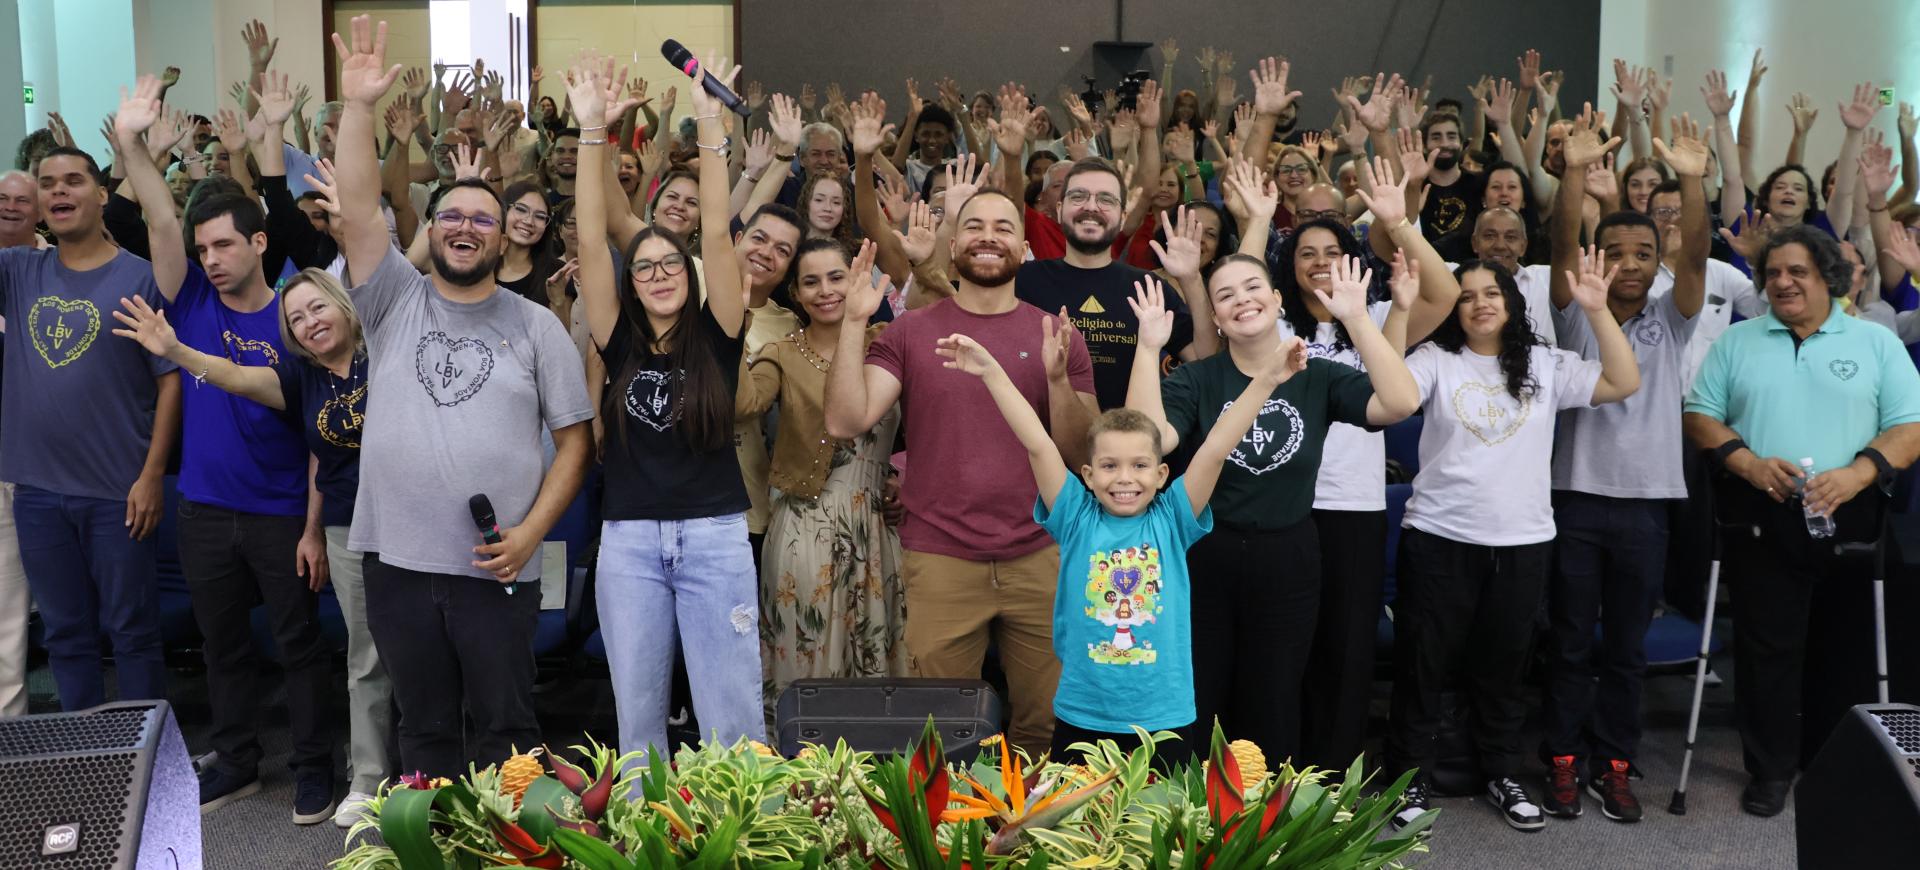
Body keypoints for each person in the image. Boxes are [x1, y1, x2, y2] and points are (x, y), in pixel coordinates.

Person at [331, 15, 593, 779]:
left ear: (504, 237)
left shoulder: (538, 326)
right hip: (397, 562)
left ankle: (508, 842)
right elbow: (357, 209)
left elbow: (575, 444)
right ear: (432, 227)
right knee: (424, 728)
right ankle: (435, 838)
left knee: (507, 731)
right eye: (451, 215)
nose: (466, 227)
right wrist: (359, 109)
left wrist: (531, 534)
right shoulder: (392, 300)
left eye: (483, 218)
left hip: (497, 568)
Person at [939, 274, 1284, 762]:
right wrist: (992, 371)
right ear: (1088, 474)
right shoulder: (1075, 516)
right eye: (1109, 466)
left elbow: (1215, 448)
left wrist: (1266, 380)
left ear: (1161, 474)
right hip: (1083, 713)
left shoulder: (1172, 519)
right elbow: (1037, 443)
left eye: (1140, 466)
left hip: (1164, 717)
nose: (1125, 479)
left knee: (1160, 813)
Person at [115, 75, 338, 823]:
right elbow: (158, 216)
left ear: (259, 243)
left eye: (223, 245)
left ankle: (314, 766)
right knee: (222, 647)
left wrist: (313, 527)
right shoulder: (190, 299)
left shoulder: (296, 318)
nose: (209, 258)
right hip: (205, 509)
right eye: (202, 247)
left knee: (298, 645)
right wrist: (132, 144)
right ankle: (236, 760)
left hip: (280, 512)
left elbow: (311, 431)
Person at [1128, 233, 1423, 768]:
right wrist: (1148, 350)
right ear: (1215, 317)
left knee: (1274, 697)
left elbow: (1400, 402)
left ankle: (1265, 813)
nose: (1242, 300)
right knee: (1199, 695)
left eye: (1252, 287)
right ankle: (1191, 811)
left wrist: (1357, 318)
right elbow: (1148, 441)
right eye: (1225, 295)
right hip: (1205, 555)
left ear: (1277, 299)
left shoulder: (1317, 373)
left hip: (1289, 556)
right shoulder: (1198, 378)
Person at [825, 187, 1099, 755]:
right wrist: (853, 323)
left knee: (1045, 727)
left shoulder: (1057, 335)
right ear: (952, 246)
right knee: (942, 732)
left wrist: (1055, 381)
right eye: (974, 226)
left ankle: (1028, 816)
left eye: (1004, 227)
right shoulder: (910, 331)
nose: (988, 237)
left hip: (1043, 554)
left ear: (1024, 248)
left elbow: (1081, 454)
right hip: (940, 558)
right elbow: (847, 418)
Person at [110, 268, 387, 828]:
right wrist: (176, 351)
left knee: (414, 650)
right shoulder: (301, 376)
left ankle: (414, 766)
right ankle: (363, 774)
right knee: (364, 657)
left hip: (411, 521)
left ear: (344, 305)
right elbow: (236, 377)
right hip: (347, 526)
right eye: (296, 318)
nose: (310, 323)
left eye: (318, 308)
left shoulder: (387, 350)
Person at [1388, 250, 1641, 834]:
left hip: (1523, 541)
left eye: (1491, 293)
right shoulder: (1436, 359)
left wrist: (1597, 311)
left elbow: (1623, 381)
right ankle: (1408, 777)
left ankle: (1501, 773)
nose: (1480, 304)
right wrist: (1401, 311)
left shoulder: (1546, 363)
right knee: (1423, 667)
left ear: (1511, 302)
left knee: (1504, 669)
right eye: (1466, 295)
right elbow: (1392, 394)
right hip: (1439, 534)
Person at [1683, 224, 1920, 818]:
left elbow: (1911, 426)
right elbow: (1700, 415)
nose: (1782, 282)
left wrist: (1859, 473)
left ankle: (1834, 762)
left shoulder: (1874, 342)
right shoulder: (1737, 342)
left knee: (1847, 649)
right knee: (1766, 650)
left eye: (1798, 272)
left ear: (1828, 278)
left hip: (1852, 512)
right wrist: (1748, 463)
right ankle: (1769, 770)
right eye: (1773, 273)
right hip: (1761, 513)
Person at [569, 52, 765, 761]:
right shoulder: (617, 339)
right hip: (629, 541)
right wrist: (592, 131)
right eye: (644, 265)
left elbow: (715, 228)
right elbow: (592, 239)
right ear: (632, 282)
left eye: (671, 264)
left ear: (691, 275)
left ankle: (744, 820)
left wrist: (710, 123)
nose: (657, 273)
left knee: (732, 716)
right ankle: (642, 820)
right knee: (638, 722)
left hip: (714, 535)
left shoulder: (719, 335)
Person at [1539, 114, 1709, 824]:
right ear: (1595, 259)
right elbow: (1560, 245)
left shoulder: (1673, 316)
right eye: (1616, 252)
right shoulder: (1576, 313)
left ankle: (1613, 762)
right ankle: (1561, 757)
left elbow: (1695, 258)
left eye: (1644, 253)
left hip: (1646, 506)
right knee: (1570, 640)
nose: (1631, 263)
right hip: (1576, 500)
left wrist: (1692, 182)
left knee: (1627, 648)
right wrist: (1575, 174)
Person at [0, 146, 178, 719]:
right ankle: (85, 753)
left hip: (118, 491)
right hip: (36, 491)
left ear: (103, 194)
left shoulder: (139, 277)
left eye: (74, 180)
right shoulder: (18, 269)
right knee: (65, 634)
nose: (59, 190)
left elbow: (170, 382)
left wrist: (152, 476)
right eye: (47, 183)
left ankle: (147, 754)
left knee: (132, 632)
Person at [739, 239, 909, 725]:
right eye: (810, 282)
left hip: (876, 529)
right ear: (795, 293)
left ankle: (872, 769)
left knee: (876, 654)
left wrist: (901, 477)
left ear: (858, 279)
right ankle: (801, 765)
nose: (826, 290)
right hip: (805, 529)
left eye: (837, 277)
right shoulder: (781, 352)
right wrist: (734, 326)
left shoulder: (888, 342)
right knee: (806, 655)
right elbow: (743, 406)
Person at [1017, 160, 1206, 409]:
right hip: (1036, 432)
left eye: (1106, 199)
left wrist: (1191, 279)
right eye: (1078, 196)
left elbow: (1205, 361)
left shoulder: (1148, 287)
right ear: (1060, 210)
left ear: (1123, 217)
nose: (1091, 206)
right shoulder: (1022, 280)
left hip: (1129, 432)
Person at [0, 170, 37, 718]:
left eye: (20, 200)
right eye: (1, 198)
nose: (9, 207)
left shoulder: (57, 269)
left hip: (45, 461)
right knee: (5, 610)